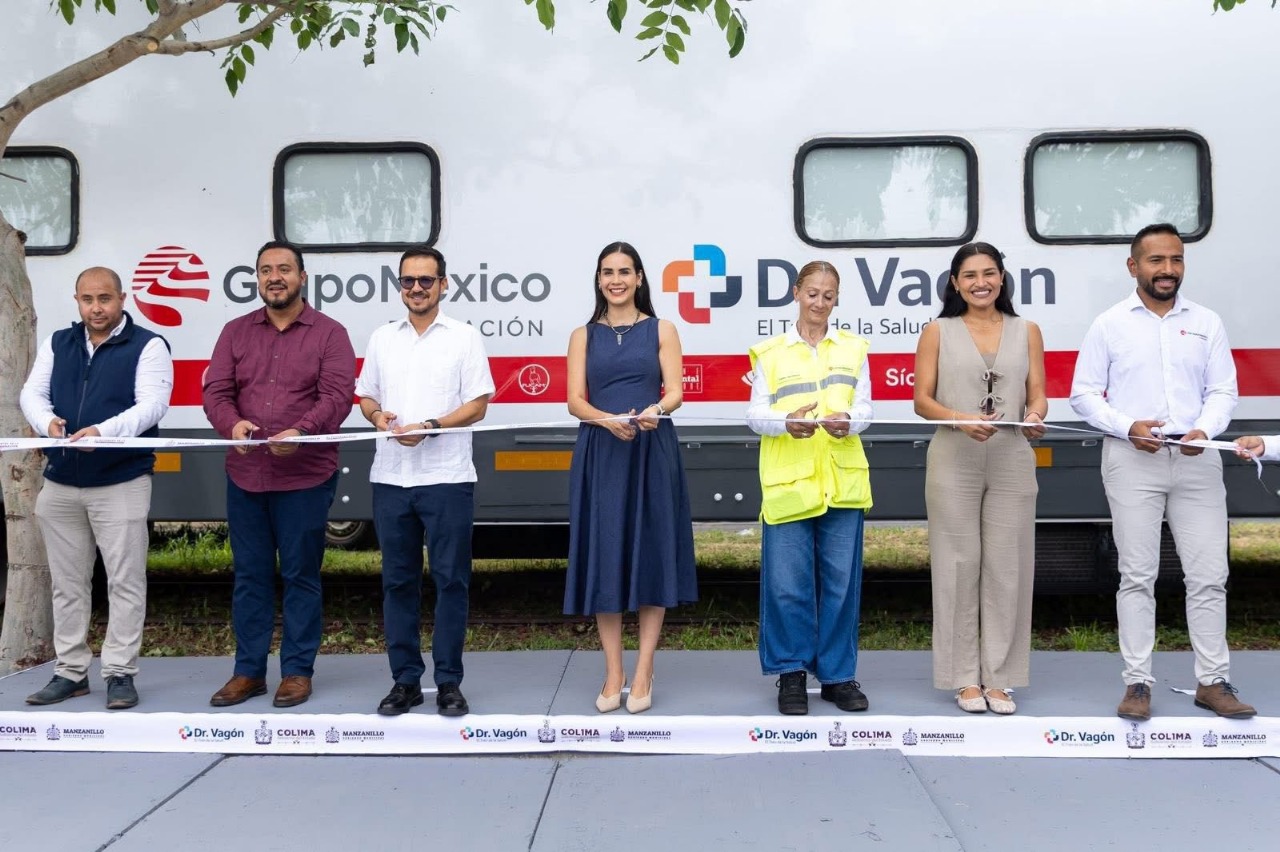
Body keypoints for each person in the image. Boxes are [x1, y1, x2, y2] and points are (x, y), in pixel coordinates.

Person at [1070, 222, 1255, 720]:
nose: (1167, 269)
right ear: (1134, 266)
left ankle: (1212, 682)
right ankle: (1137, 683)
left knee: (1210, 575)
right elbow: (1083, 394)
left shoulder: (1207, 322)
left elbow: (1223, 391)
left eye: (1176, 259)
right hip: (1133, 460)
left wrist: (1204, 430)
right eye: (1156, 260)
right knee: (1137, 575)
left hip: (1197, 460)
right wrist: (1127, 426)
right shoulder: (1109, 324)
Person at [202, 240, 355, 709]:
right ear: (257, 278)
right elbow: (216, 391)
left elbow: (337, 397)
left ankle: (296, 672)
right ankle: (248, 672)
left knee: (301, 575)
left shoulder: (330, 334)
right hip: (246, 475)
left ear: (302, 278)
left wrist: (302, 431)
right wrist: (231, 425)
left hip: (305, 477)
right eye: (266, 269)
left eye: (284, 269)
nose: (275, 277)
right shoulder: (235, 332)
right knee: (249, 577)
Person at [19, 267, 172, 710]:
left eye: (105, 298)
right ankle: (70, 673)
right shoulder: (58, 342)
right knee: (67, 584)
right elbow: (32, 394)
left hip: (121, 480)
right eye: (87, 299)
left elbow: (152, 405)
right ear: (77, 301)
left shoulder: (149, 345)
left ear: (122, 298)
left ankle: (120, 673)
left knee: (125, 581)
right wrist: (47, 423)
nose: (96, 308)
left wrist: (103, 433)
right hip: (61, 483)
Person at [356, 246, 494, 717]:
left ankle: (449, 682)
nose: (416, 288)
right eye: (408, 281)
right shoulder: (382, 338)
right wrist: (378, 416)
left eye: (426, 280)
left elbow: (478, 405)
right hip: (390, 479)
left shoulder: (464, 337)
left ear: (443, 284)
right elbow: (366, 396)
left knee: (451, 581)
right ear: (400, 286)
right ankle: (405, 682)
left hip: (447, 478)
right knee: (398, 583)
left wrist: (432, 426)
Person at [913, 243, 1046, 715]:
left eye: (989, 273)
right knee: (957, 564)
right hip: (954, 457)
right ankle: (963, 678)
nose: (980, 283)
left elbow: (1038, 394)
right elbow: (921, 401)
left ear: (1002, 278)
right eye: (969, 275)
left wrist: (1035, 416)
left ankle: (1001, 678)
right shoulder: (937, 331)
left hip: (1012, 457)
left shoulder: (1027, 330)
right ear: (955, 283)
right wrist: (959, 419)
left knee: (1008, 567)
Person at [564, 241, 697, 715]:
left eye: (624, 271)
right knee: (606, 555)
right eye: (607, 272)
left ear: (639, 278)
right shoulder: (582, 335)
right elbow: (574, 400)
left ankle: (643, 669)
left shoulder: (663, 329)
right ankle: (613, 671)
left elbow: (676, 391)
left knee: (651, 553)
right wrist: (606, 420)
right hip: (602, 452)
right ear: (599, 280)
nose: (615, 280)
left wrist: (654, 410)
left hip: (650, 448)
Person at [746, 260, 872, 716]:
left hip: (842, 484)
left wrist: (849, 420)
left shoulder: (855, 349)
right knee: (787, 586)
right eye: (813, 293)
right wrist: (785, 421)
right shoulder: (770, 352)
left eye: (828, 295)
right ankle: (791, 673)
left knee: (841, 586)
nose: (819, 302)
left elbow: (866, 409)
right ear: (796, 292)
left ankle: (838, 677)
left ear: (837, 300)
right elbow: (755, 415)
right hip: (789, 486)